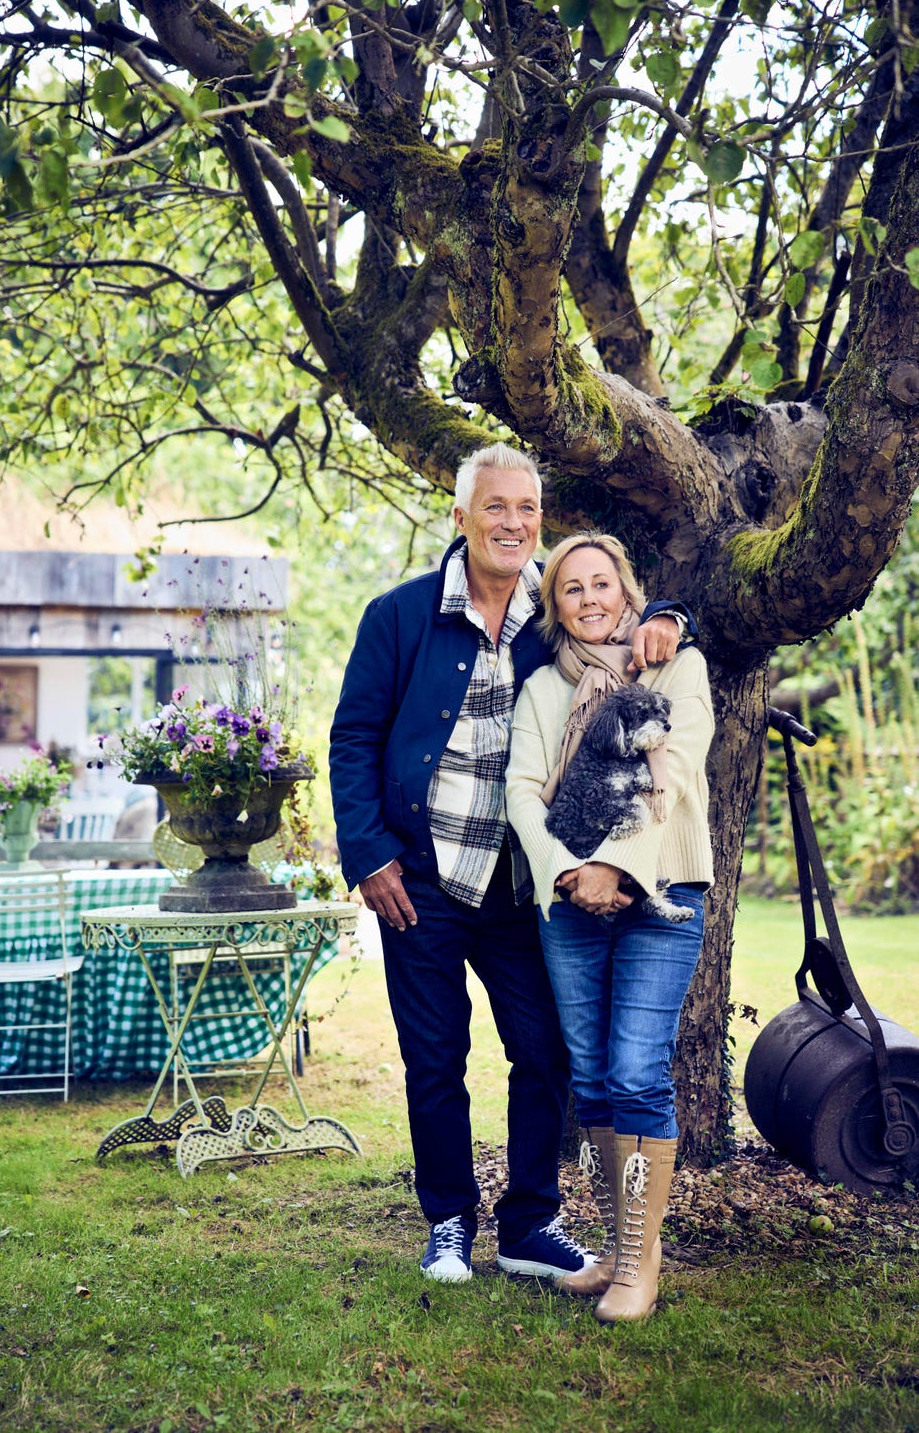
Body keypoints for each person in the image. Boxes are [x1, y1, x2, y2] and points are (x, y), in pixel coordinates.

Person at [329, 445, 692, 1285]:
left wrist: (676, 616)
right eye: (494, 507)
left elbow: (633, 616)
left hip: (522, 880)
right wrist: (370, 853)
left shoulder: (553, 617)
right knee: (435, 1054)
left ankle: (529, 1223)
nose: (512, 523)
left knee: (546, 1051)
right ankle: (450, 1220)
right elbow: (353, 738)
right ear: (461, 518)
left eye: (527, 508)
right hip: (418, 877)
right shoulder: (399, 615)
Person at [505, 531, 714, 1322]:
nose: (591, 600)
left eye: (603, 584)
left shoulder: (675, 665)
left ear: (628, 591)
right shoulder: (540, 690)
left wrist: (613, 867)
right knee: (591, 1077)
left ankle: (636, 1266)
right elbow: (522, 792)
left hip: (662, 889)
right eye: (572, 589)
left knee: (634, 1074)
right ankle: (628, 1252)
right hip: (569, 903)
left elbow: (676, 768)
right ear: (555, 607)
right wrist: (567, 871)